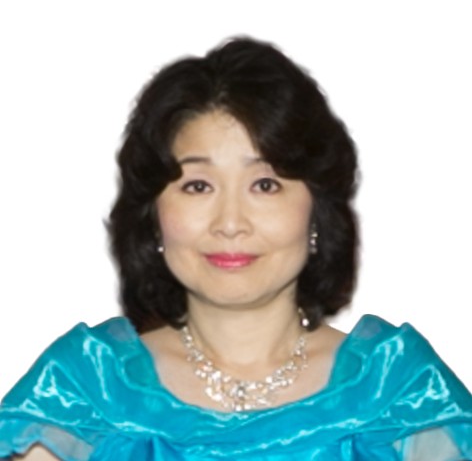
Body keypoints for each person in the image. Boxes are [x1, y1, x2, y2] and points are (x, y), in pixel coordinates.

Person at [0, 37, 471, 460]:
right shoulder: (81, 395)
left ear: (316, 209)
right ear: (153, 215)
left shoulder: (404, 396)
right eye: (198, 186)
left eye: (265, 184)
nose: (230, 223)